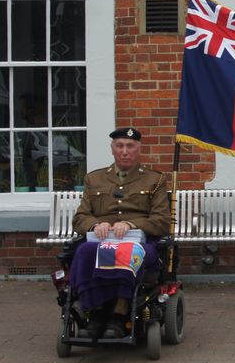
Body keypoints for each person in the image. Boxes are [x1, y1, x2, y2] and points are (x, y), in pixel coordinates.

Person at [69, 126, 171, 339]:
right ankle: (95, 312)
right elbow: (80, 218)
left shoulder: (155, 180)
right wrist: (95, 225)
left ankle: (118, 313)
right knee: (85, 251)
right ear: (112, 149)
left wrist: (131, 224)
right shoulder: (94, 179)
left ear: (139, 149)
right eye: (120, 146)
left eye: (130, 146)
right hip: (101, 239)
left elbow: (161, 221)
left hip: (140, 243)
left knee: (126, 252)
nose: (125, 151)